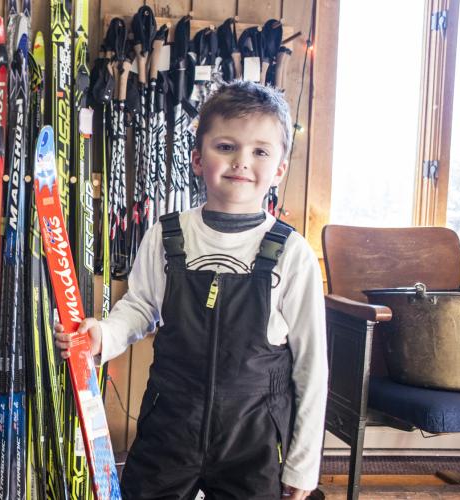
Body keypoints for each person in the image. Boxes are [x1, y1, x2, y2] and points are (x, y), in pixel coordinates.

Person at [56, 81, 327, 499]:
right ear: (198, 159)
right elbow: (140, 307)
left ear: (279, 169)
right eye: (226, 147)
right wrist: (103, 336)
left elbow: (311, 367)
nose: (241, 162)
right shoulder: (168, 236)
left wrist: (302, 466)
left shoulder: (292, 253)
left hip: (252, 436)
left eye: (260, 151)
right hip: (170, 422)